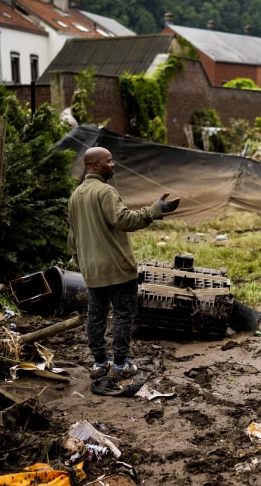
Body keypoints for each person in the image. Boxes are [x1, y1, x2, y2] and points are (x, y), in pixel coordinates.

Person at [68, 146, 180, 378]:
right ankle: (120, 365)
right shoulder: (106, 192)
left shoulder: (75, 196)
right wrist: (154, 210)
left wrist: (83, 263)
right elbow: (123, 220)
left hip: (93, 270)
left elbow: (72, 236)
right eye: (109, 161)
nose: (114, 164)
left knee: (96, 316)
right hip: (118, 269)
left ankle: (99, 364)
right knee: (123, 314)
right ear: (95, 165)